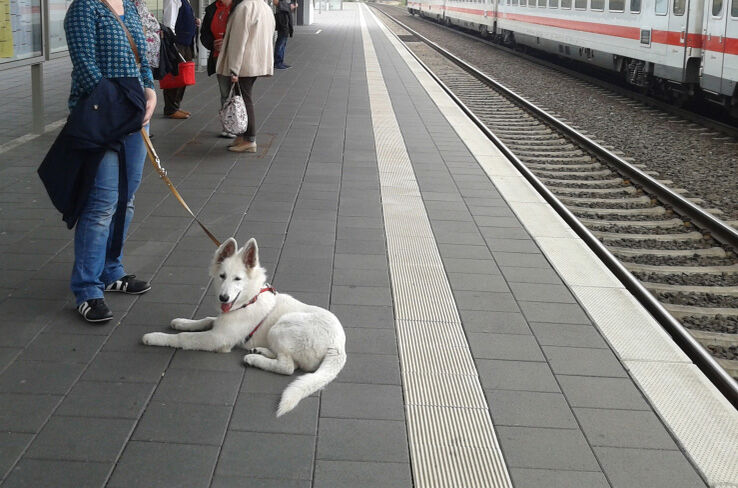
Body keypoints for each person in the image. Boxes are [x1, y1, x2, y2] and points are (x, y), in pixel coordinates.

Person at [64, 0, 156, 322]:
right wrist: (121, 108)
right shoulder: (84, 8)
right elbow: (86, 68)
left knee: (125, 199)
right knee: (102, 202)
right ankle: (87, 288)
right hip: (102, 116)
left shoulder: (128, 7)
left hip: (134, 116)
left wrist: (150, 93)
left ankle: (110, 270)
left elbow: (142, 61)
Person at [216, 0, 275, 153]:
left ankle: (249, 139)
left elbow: (238, 42)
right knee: (244, 97)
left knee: (244, 98)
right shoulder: (264, 6)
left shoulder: (244, 8)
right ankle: (243, 137)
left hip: (244, 63)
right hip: (257, 60)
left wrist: (234, 69)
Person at [201, 0, 237, 138]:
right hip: (219, 58)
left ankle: (241, 124)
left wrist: (228, 43)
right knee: (225, 93)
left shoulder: (239, 6)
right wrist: (212, 44)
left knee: (238, 92)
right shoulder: (211, 9)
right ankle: (228, 126)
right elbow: (204, 34)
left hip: (237, 56)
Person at [162, 0, 199, 119]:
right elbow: (169, 24)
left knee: (183, 75)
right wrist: (172, 45)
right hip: (177, 43)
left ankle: (176, 106)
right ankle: (171, 108)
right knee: (175, 75)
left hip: (185, 43)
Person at [273, 0, 296, 70]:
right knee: (281, 42)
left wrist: (291, 6)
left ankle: (280, 61)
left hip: (285, 18)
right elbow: (275, 2)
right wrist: (289, 6)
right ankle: (277, 63)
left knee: (283, 42)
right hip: (282, 19)